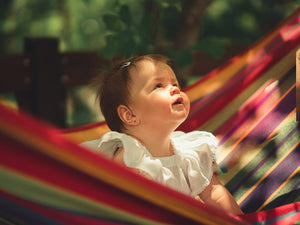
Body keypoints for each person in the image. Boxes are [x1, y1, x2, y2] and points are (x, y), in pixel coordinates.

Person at [91, 54, 243, 215]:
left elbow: (215, 195)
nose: (175, 88)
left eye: (175, 83)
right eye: (158, 86)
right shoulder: (129, 156)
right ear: (130, 115)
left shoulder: (190, 153)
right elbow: (120, 204)